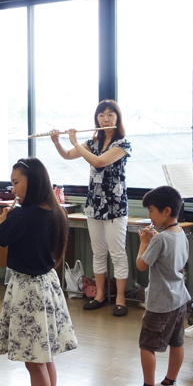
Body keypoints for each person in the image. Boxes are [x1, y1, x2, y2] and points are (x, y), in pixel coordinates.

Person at [0, 158, 76, 386]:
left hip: (29, 292)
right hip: (47, 285)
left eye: (16, 183)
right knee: (45, 357)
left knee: (34, 361)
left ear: (32, 181)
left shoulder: (22, 216)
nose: (13, 190)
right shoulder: (56, 211)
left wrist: (1, 223)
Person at [50, 100, 132, 316]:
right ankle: (99, 295)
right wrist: (57, 142)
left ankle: (121, 299)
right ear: (96, 118)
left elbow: (99, 162)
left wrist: (75, 142)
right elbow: (68, 155)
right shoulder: (92, 142)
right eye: (101, 115)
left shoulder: (123, 144)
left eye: (110, 114)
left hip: (115, 205)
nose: (105, 119)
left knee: (117, 252)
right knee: (98, 251)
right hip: (94, 204)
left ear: (117, 118)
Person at [124, 186, 191, 386]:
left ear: (166, 211)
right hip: (179, 299)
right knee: (177, 342)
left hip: (160, 302)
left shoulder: (160, 239)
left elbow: (141, 265)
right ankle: (170, 383)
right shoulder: (181, 234)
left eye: (151, 210)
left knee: (147, 344)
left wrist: (144, 243)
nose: (149, 215)